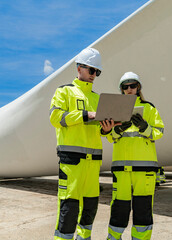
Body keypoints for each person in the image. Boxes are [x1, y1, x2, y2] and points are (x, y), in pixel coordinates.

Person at [50, 47, 117, 240]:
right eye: (92, 70)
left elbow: (100, 131)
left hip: (93, 162)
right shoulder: (64, 92)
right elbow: (55, 118)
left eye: (98, 72)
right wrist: (87, 115)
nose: (95, 75)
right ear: (79, 68)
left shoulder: (98, 98)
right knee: (68, 207)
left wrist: (106, 128)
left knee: (90, 207)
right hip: (72, 161)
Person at [101, 71, 164, 240]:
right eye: (125, 86)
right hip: (121, 169)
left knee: (143, 209)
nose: (129, 89)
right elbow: (109, 137)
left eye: (132, 85)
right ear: (121, 89)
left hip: (145, 169)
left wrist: (145, 128)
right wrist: (118, 129)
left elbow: (159, 132)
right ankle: (113, 237)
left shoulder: (149, 108)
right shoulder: (115, 110)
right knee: (119, 208)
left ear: (138, 87)